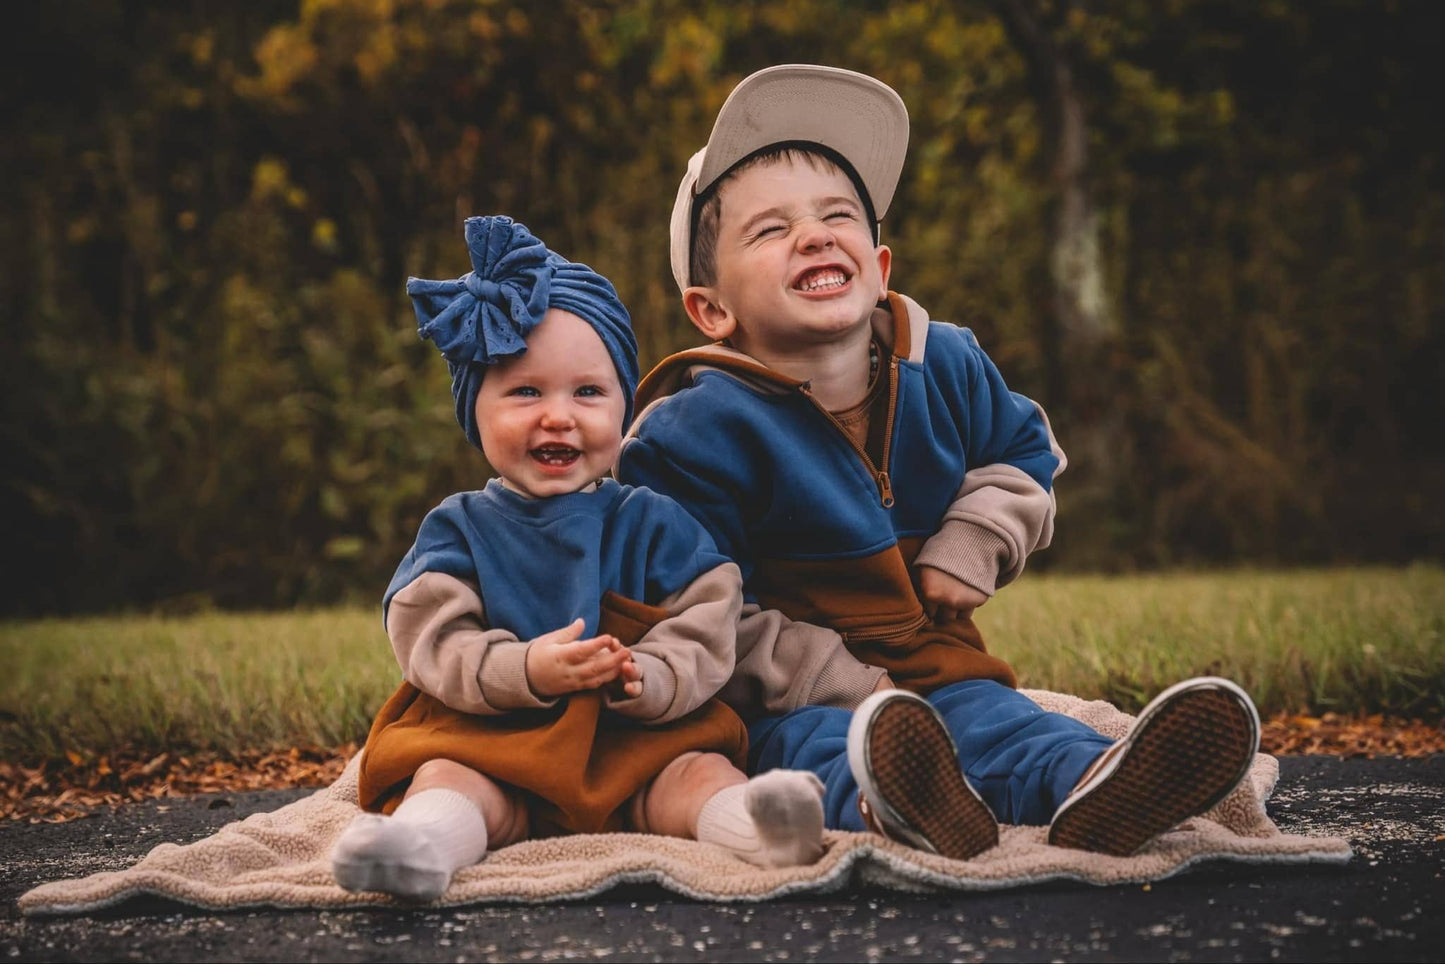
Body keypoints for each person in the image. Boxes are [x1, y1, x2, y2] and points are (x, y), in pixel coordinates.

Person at [616, 64, 1260, 861]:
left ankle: (1103, 783)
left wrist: (973, 539)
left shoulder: (945, 362)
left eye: (836, 216)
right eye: (771, 230)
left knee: (1006, 724)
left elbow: (1024, 453)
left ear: (879, 265)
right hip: (789, 695)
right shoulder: (691, 434)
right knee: (812, 748)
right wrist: (845, 685)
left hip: (939, 662)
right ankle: (893, 803)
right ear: (712, 311)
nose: (813, 235)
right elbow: (696, 605)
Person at [331, 215, 826, 902]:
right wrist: (523, 667)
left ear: (625, 406)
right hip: (495, 737)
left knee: (696, 773)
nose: (558, 416)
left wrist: (649, 677)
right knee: (448, 780)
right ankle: (421, 846)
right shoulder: (461, 527)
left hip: (633, 742)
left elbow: (708, 614)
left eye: (587, 392)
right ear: (475, 409)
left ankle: (757, 827)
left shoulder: (651, 520)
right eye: (525, 391)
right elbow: (430, 639)